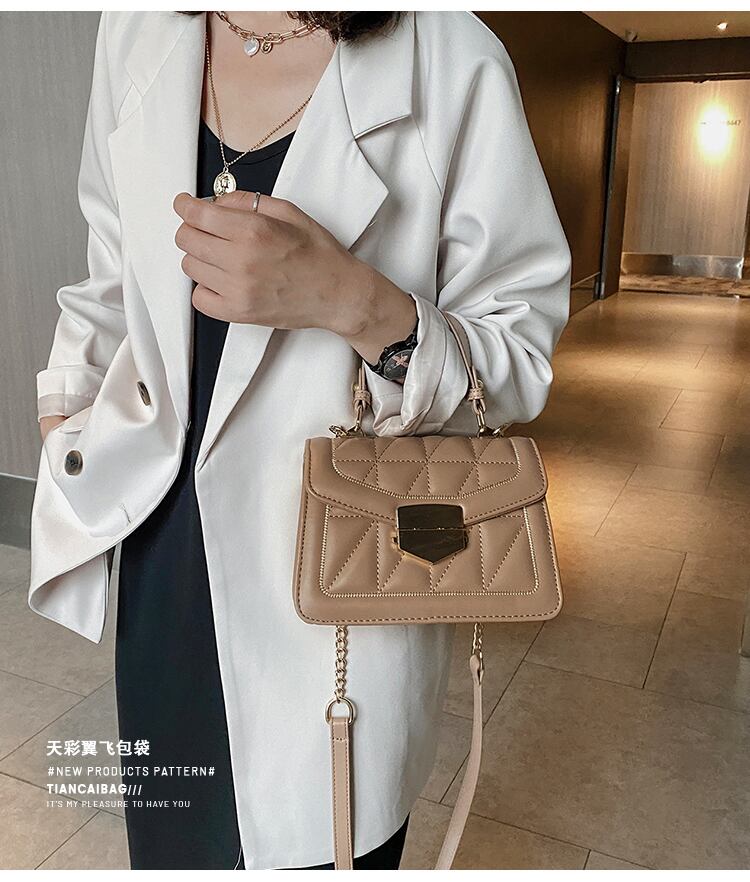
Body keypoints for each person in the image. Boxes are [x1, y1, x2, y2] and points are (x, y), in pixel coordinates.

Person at [32, 10, 571, 870]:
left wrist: (351, 301)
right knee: (172, 843)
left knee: (322, 838)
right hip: (165, 554)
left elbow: (517, 357)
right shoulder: (137, 25)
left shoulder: (453, 58)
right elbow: (110, 267)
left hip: (342, 571)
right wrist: (64, 409)